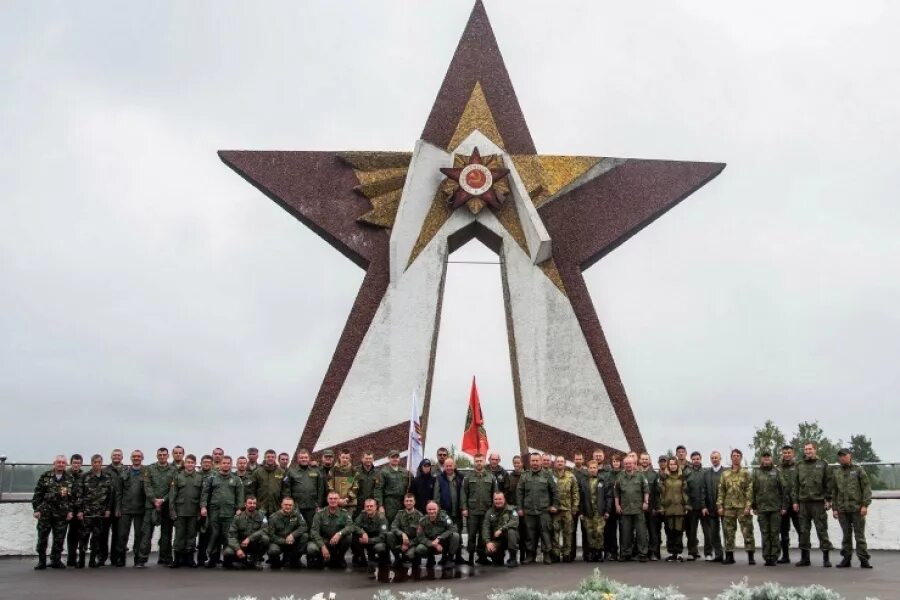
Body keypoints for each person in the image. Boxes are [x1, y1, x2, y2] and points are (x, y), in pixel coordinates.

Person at [792, 441, 834, 567]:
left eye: (810, 449)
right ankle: (805, 558)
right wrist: (795, 501)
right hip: (803, 503)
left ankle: (826, 559)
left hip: (818, 503)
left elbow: (829, 483)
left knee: (822, 530)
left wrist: (828, 500)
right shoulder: (799, 465)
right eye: (806, 449)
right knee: (804, 531)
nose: (808, 451)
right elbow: (795, 485)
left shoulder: (823, 464)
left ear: (815, 450)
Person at [32, 455, 75, 570]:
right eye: (58, 462)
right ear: (54, 463)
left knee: (59, 538)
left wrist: (70, 511)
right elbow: (37, 494)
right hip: (45, 513)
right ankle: (42, 561)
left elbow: (73, 498)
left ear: (66, 464)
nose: (60, 464)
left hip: (62, 514)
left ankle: (56, 560)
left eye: (63, 462)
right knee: (42, 538)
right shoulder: (46, 476)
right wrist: (36, 510)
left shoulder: (70, 478)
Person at [832, 448, 872, 569]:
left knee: (859, 535)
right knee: (846, 535)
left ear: (850, 456)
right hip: (842, 509)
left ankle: (864, 559)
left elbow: (866, 488)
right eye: (840, 456)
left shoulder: (858, 470)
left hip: (857, 509)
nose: (842, 458)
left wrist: (865, 505)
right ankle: (846, 558)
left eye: (844, 455)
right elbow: (834, 491)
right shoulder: (836, 472)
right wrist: (834, 508)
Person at [200, 455, 244, 567]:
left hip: (229, 512)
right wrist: (203, 506)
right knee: (214, 535)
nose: (226, 465)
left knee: (227, 535)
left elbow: (240, 495)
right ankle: (213, 559)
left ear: (231, 464)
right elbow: (205, 493)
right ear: (220, 464)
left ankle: (227, 559)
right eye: (224, 463)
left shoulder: (236, 479)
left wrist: (239, 508)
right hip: (214, 511)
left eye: (228, 463)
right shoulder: (212, 478)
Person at [516, 452, 559, 565]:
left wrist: (555, 505)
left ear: (540, 461)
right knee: (530, 535)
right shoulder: (524, 476)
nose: (535, 463)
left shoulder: (547, 475)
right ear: (530, 462)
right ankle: (530, 556)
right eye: (533, 461)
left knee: (545, 533)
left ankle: (547, 555)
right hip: (529, 511)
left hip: (544, 511)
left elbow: (554, 491)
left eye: (537, 460)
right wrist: (519, 508)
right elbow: (519, 493)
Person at [75, 454, 115, 568]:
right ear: (92, 463)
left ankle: (92, 560)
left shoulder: (107, 477)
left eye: (99, 462)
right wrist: (79, 510)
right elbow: (79, 495)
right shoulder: (85, 476)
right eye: (95, 462)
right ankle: (81, 560)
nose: (97, 464)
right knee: (84, 537)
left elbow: (110, 496)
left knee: (96, 538)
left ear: (101, 463)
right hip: (87, 513)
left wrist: (108, 509)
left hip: (100, 514)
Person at [138, 447, 176, 567]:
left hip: (166, 506)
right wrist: (154, 500)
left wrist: (164, 499)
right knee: (146, 533)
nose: (162, 457)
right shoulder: (149, 469)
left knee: (166, 534)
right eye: (160, 455)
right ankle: (142, 559)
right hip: (151, 505)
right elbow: (147, 486)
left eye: (164, 455)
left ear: (168, 456)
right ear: (157, 456)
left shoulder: (173, 470)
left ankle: (166, 558)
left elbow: (173, 488)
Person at [717, 449, 754, 565]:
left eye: (738, 455)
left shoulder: (746, 473)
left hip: (743, 507)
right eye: (734, 456)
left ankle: (751, 556)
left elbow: (750, 490)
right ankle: (729, 556)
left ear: (741, 457)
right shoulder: (725, 474)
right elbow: (721, 490)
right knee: (728, 533)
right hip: (728, 507)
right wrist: (720, 506)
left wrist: (748, 506)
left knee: (747, 531)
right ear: (731, 458)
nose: (736, 457)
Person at [751, 451, 787, 567]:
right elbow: (753, 490)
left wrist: (784, 506)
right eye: (764, 457)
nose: (766, 459)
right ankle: (767, 557)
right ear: (761, 459)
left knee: (774, 533)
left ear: (771, 459)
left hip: (775, 508)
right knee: (765, 533)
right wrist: (754, 506)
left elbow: (784, 490)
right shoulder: (756, 473)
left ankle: (774, 556)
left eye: (768, 457)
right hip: (762, 509)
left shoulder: (777, 472)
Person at [168, 453, 204, 568]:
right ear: (185, 463)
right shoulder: (178, 477)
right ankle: (177, 559)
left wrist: (200, 510)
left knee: (191, 536)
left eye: (192, 462)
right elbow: (172, 496)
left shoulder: (199, 477)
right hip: (180, 512)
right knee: (179, 536)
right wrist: (172, 511)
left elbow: (202, 496)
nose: (190, 464)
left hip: (193, 512)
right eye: (188, 462)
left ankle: (190, 559)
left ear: (195, 464)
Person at [461, 453, 497, 565]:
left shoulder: (491, 477)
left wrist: (494, 510)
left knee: (483, 535)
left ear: (485, 461)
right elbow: (463, 493)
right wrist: (464, 508)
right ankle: (471, 557)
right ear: (474, 462)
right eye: (477, 461)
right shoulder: (468, 477)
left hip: (486, 511)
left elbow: (495, 494)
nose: (479, 463)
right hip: (472, 511)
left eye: (481, 461)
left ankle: (482, 557)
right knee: (471, 535)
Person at [614, 455, 649, 562]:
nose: (628, 465)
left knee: (641, 533)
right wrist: (617, 505)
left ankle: (642, 554)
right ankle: (625, 553)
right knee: (625, 533)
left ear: (634, 464)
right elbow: (616, 492)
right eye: (626, 463)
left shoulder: (641, 475)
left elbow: (646, 490)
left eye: (630, 463)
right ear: (624, 464)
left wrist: (646, 502)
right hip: (625, 509)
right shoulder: (620, 476)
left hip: (638, 509)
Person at [115, 450, 146, 567]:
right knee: (122, 535)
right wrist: (118, 508)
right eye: (134, 456)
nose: (136, 458)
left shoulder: (146, 472)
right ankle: (120, 558)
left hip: (140, 509)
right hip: (125, 508)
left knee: (139, 535)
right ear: (131, 458)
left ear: (142, 458)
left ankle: (138, 558)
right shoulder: (124, 472)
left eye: (138, 456)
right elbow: (119, 492)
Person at [307, 491, 354, 569]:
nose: (333, 500)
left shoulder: (344, 513)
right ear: (327, 500)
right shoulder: (319, 514)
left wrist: (339, 534)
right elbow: (314, 532)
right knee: (311, 548)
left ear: (339, 500)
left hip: (337, 541)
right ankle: (321, 558)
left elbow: (351, 526)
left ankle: (340, 558)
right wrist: (322, 547)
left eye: (335, 498)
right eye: (331, 498)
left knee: (348, 537)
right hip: (324, 541)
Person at [282, 448, 326, 529]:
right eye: (301, 458)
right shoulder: (291, 472)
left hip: (312, 505)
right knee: (296, 527)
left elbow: (320, 489)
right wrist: (288, 504)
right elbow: (286, 489)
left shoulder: (316, 471)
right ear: (298, 459)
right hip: (296, 506)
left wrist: (319, 504)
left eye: (305, 457)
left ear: (309, 458)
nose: (304, 459)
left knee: (311, 527)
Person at [409, 500, 460, 567]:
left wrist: (439, 538)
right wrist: (433, 544)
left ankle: (449, 558)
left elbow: (453, 528)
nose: (432, 511)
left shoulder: (444, 517)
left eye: (434, 509)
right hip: (431, 544)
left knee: (455, 536)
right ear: (426, 510)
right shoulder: (422, 521)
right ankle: (430, 558)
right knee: (419, 548)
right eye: (429, 509)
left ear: (438, 509)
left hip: (443, 543)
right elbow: (420, 537)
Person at [223, 495, 269, 569]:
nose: (252, 505)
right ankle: (240, 560)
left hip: (254, 544)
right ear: (245, 504)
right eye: (250, 503)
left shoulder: (262, 516)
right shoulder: (238, 517)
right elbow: (231, 535)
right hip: (241, 544)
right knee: (228, 552)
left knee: (265, 539)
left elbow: (265, 530)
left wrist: (249, 538)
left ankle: (257, 559)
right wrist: (238, 549)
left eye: (254, 503)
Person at [433, 456, 464, 563]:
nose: (449, 468)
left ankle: (459, 557)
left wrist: (463, 507)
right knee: (446, 534)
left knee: (458, 534)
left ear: (454, 466)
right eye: (447, 466)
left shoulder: (461, 477)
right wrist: (438, 510)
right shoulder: (439, 478)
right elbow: (436, 496)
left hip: (458, 512)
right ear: (444, 467)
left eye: (451, 465)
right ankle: (445, 557)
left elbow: (464, 493)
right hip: (445, 512)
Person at [98, 448, 125, 566]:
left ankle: (115, 557)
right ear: (111, 456)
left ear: (122, 457)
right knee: (103, 533)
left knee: (118, 534)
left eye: (119, 455)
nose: (116, 457)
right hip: (106, 507)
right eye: (114, 455)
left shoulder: (126, 470)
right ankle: (102, 557)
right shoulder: (104, 471)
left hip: (121, 507)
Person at [551, 455, 580, 563]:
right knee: (555, 534)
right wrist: (550, 506)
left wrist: (575, 506)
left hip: (567, 510)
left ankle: (567, 554)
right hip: (555, 511)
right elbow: (547, 492)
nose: (559, 463)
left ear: (565, 463)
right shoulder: (550, 476)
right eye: (558, 461)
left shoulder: (570, 476)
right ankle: (556, 554)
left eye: (561, 461)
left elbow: (575, 492)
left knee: (568, 533)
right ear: (555, 463)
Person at [266, 497, 308, 569]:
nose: (288, 507)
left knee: (305, 536)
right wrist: (284, 541)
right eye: (285, 504)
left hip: (292, 541)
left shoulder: (297, 514)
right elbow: (271, 535)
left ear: (293, 506)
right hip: (279, 543)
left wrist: (292, 535)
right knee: (273, 551)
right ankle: (275, 561)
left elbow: (304, 527)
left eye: (290, 505)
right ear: (281, 505)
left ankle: (295, 560)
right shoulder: (273, 517)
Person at [660, 457, 688, 562]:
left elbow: (685, 492)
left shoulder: (682, 477)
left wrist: (686, 505)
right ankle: (672, 553)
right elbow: (661, 494)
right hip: (668, 509)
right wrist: (661, 506)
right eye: (670, 464)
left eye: (674, 464)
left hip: (679, 509)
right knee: (669, 531)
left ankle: (678, 553)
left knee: (679, 532)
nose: (672, 466)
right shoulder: (664, 478)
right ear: (668, 465)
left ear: (677, 465)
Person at [582, 460, 611, 562]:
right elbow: (581, 497)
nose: (593, 470)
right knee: (590, 532)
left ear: (597, 469)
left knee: (599, 532)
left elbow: (608, 496)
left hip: (600, 511)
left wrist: (607, 510)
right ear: (588, 469)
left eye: (594, 468)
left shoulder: (602, 481)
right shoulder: (584, 481)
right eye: (591, 468)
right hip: (588, 512)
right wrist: (582, 511)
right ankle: (592, 552)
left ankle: (599, 552)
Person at [352, 498, 391, 570]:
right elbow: (354, 526)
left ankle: (382, 559)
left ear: (375, 507)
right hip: (366, 539)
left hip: (377, 541)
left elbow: (383, 537)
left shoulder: (382, 518)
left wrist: (369, 540)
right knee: (354, 536)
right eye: (367, 506)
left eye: (371, 506)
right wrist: (362, 532)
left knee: (380, 547)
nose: (369, 508)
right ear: (364, 507)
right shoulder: (362, 514)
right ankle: (362, 559)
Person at [777, 444, 801, 563]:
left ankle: (804, 557)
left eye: (789, 453)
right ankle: (785, 556)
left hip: (796, 504)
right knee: (783, 532)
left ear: (793, 453)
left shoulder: (799, 466)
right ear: (782, 454)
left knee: (801, 530)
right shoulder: (778, 468)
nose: (787, 455)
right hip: (783, 506)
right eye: (784, 453)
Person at [483, 491, 519, 567]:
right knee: (488, 551)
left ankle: (513, 559)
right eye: (496, 499)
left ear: (504, 499)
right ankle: (498, 557)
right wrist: (488, 542)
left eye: (500, 499)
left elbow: (514, 522)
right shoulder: (489, 512)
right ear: (493, 500)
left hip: (509, 538)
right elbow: (485, 527)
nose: (498, 501)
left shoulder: (511, 509)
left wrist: (501, 529)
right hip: (497, 540)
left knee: (511, 532)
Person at [376, 449, 411, 526]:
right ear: (389, 458)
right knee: (388, 524)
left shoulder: (405, 472)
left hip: (402, 502)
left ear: (399, 458)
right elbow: (379, 490)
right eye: (393, 457)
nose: (395, 459)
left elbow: (410, 486)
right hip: (389, 503)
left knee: (402, 524)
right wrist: (380, 506)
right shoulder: (384, 472)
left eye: (397, 457)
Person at [701, 450, 725, 562]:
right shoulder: (706, 473)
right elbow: (703, 491)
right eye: (712, 458)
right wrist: (704, 506)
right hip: (710, 508)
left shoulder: (726, 472)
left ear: (720, 458)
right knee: (714, 532)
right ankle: (718, 554)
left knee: (727, 532)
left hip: (724, 508)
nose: (714, 459)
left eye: (716, 457)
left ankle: (729, 554)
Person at [388, 493, 424, 566]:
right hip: (402, 540)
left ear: (414, 502)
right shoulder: (400, 514)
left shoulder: (420, 516)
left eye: (410, 501)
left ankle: (415, 557)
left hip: (414, 543)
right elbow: (393, 527)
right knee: (389, 535)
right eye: (406, 501)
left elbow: (421, 536)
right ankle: (397, 558)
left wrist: (408, 544)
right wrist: (402, 534)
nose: (408, 503)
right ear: (404, 502)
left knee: (411, 557)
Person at [639, 452, 662, 561]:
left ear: (649, 460)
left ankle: (653, 552)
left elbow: (657, 493)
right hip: (639, 508)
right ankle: (642, 552)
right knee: (641, 532)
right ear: (640, 460)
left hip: (651, 508)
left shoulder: (654, 475)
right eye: (642, 459)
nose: (644, 461)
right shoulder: (636, 473)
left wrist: (656, 508)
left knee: (653, 532)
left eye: (646, 459)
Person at [248, 449, 285, 516]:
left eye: (272, 457)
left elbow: (285, 489)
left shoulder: (281, 472)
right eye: (268, 457)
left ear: (275, 458)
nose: (270, 458)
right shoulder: (257, 472)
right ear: (265, 458)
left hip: (276, 507)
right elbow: (251, 490)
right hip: (261, 507)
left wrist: (283, 504)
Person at [683, 451, 705, 561]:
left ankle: (709, 552)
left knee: (707, 531)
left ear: (701, 459)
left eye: (698, 458)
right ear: (691, 460)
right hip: (691, 507)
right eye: (694, 459)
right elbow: (684, 490)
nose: (696, 460)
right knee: (691, 532)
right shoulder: (687, 472)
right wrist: (687, 505)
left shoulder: (705, 472)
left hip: (703, 507)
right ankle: (692, 552)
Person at [196, 454, 215, 566]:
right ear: (201, 463)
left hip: (210, 508)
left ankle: (210, 558)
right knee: (197, 534)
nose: (206, 464)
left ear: (212, 463)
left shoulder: (215, 475)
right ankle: (199, 558)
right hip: (196, 508)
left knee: (208, 533)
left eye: (208, 462)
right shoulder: (196, 475)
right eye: (204, 462)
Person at [65, 454, 84, 566]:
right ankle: (66, 558)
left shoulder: (84, 476)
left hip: (79, 510)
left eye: (78, 463)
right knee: (63, 535)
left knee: (77, 534)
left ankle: (76, 559)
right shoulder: (65, 475)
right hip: (66, 509)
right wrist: (68, 510)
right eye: (74, 463)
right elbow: (64, 494)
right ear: (71, 463)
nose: (76, 465)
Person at [570, 451, 590, 561]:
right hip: (573, 505)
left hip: (584, 505)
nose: (578, 461)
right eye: (576, 459)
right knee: (572, 530)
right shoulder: (570, 472)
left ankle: (586, 554)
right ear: (574, 460)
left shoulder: (587, 473)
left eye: (580, 459)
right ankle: (571, 554)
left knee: (585, 530)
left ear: (583, 460)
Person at [603, 453, 622, 560]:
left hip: (622, 506)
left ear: (620, 463)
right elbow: (606, 491)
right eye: (614, 461)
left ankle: (622, 551)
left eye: (617, 461)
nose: (616, 463)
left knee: (623, 531)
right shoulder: (607, 475)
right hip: (611, 507)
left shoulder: (623, 474)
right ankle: (611, 552)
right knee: (610, 530)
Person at [328, 449, 359, 516]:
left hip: (350, 504)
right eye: (343, 457)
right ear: (339, 457)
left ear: (350, 458)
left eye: (347, 458)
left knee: (348, 524)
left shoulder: (354, 471)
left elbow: (355, 487)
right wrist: (337, 500)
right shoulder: (333, 471)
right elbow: (330, 487)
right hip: (336, 503)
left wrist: (347, 499)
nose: (345, 459)